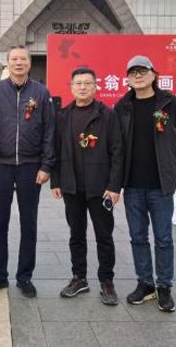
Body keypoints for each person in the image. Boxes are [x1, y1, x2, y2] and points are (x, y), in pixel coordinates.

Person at [114, 55, 176, 313]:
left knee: (164, 238)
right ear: (127, 78)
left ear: (154, 74)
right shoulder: (122, 106)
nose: (138, 76)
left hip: (160, 185)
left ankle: (164, 286)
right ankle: (145, 283)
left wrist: (169, 165)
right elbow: (118, 145)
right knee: (137, 237)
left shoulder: (172, 103)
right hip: (133, 184)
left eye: (142, 71)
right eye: (132, 72)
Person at [0, 45, 55, 298]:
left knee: (29, 224)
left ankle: (25, 277)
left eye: (23, 59)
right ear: (8, 63)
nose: (19, 63)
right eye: (14, 59)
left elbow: (49, 130)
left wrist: (46, 166)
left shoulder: (41, 92)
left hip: (30, 166)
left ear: (29, 63)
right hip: (1, 166)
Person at [50, 67, 124, 305]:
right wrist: (56, 181)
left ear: (95, 87)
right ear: (71, 87)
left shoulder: (107, 114)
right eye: (78, 83)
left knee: (104, 235)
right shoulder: (62, 116)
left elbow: (117, 151)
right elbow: (55, 149)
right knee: (76, 234)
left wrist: (114, 186)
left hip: (100, 187)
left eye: (87, 83)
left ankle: (107, 281)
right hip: (71, 186)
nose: (82, 87)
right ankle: (79, 278)